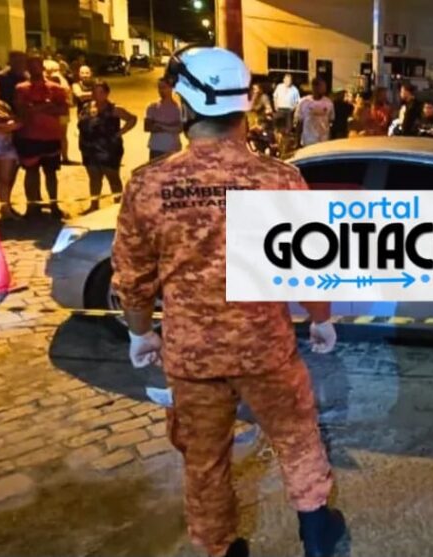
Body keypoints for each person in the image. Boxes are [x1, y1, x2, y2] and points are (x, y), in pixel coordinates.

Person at [111, 46, 346, 557]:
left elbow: (133, 279)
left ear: (187, 105)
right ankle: (317, 533)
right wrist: (321, 321)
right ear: (246, 105)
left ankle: (221, 547)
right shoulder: (279, 179)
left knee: (205, 459)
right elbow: (311, 267)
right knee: (297, 438)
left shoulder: (150, 184)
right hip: (266, 349)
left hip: (192, 357)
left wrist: (140, 333)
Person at [13, 55, 68, 219]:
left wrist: (36, 107)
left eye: (37, 65)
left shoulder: (56, 88)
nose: (35, 69)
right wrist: (47, 106)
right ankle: (33, 206)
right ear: (27, 68)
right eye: (31, 66)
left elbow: (63, 109)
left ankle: (54, 204)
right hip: (29, 136)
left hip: (51, 136)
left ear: (43, 67)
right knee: (31, 172)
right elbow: (21, 111)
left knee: (51, 173)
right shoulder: (21, 88)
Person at [78, 81, 136, 213]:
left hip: (109, 149)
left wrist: (120, 133)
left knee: (112, 177)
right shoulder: (87, 107)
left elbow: (132, 119)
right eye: (94, 91)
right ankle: (94, 205)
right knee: (94, 177)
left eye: (100, 92)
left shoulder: (114, 109)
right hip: (89, 148)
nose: (97, 95)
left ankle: (119, 206)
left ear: (106, 93)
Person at [0, 77, 20, 220]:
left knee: (5, 179)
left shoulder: (2, 105)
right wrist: (4, 126)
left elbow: (17, 122)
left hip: (6, 146)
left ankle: (5, 210)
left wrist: (1, 127)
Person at [43, 59, 74, 165]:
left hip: (55, 112)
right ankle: (64, 157)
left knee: (53, 135)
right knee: (63, 135)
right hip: (64, 111)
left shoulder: (53, 80)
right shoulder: (63, 79)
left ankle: (53, 156)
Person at [145, 78, 182, 161]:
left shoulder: (179, 108)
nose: (161, 90)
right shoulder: (152, 107)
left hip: (173, 148)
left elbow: (179, 129)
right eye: (159, 88)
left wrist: (159, 124)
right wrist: (171, 126)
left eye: (164, 87)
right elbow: (147, 127)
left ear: (171, 88)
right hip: (156, 148)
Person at [293, 77, 334, 147]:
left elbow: (331, 121)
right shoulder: (303, 102)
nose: (325, 88)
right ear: (314, 87)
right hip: (308, 141)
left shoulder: (329, 103)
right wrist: (297, 141)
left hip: (323, 141)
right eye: (322, 86)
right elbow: (299, 123)